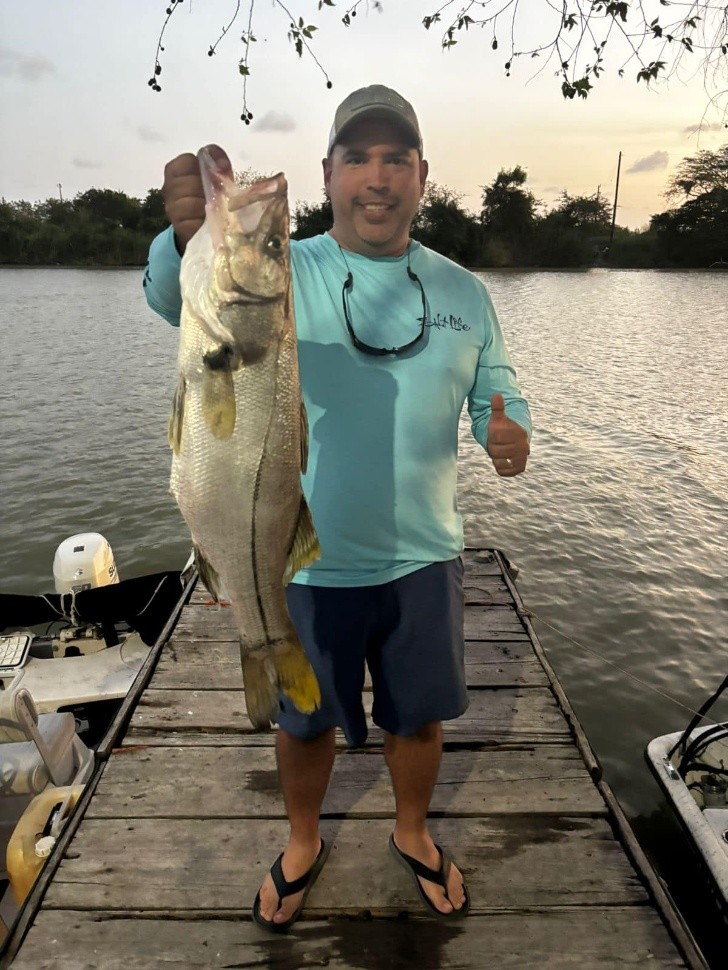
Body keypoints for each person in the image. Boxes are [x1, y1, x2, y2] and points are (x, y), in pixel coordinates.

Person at [144, 84, 531, 932]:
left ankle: (411, 830)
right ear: (329, 173)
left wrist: (510, 429)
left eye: (397, 158)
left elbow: (496, 388)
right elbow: (179, 302)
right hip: (303, 559)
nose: (378, 176)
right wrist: (184, 237)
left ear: (423, 175)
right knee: (306, 722)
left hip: (426, 555)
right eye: (359, 157)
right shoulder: (290, 268)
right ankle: (302, 840)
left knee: (416, 718)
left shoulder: (465, 289)